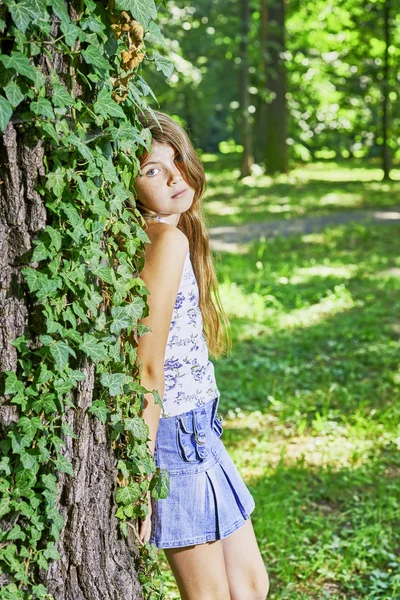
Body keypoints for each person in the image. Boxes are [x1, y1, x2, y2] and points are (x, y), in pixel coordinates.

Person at [133, 110, 269, 600]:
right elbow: (147, 367)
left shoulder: (179, 233)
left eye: (176, 161)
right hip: (172, 434)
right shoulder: (163, 241)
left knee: (251, 586)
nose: (173, 178)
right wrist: (139, 476)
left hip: (201, 426)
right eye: (151, 169)